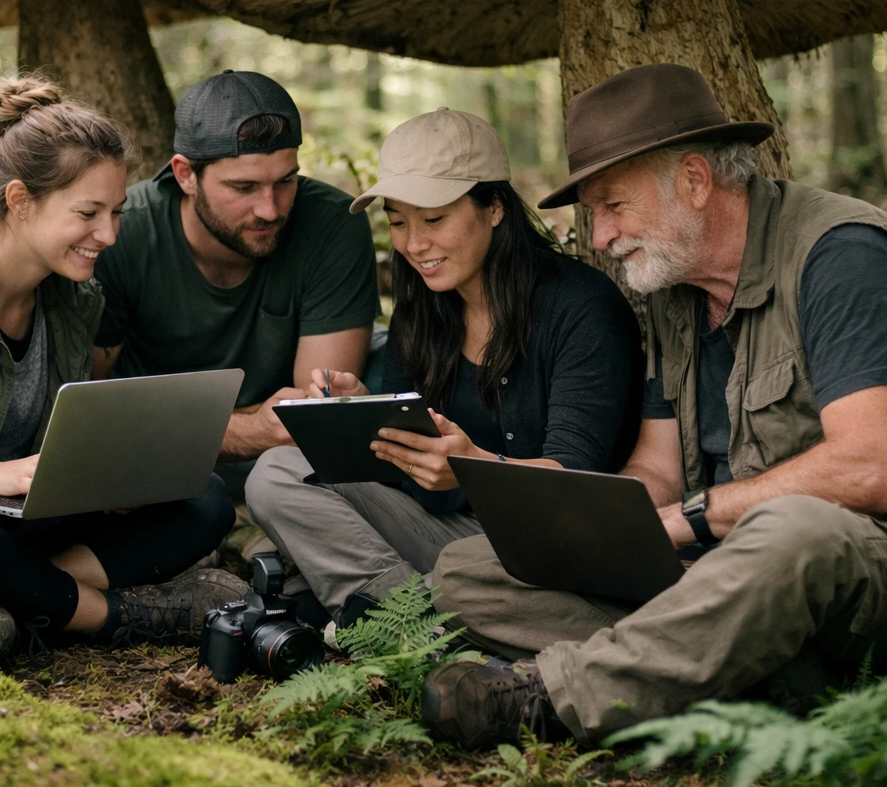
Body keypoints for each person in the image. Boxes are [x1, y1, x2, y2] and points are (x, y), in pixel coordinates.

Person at [422, 63, 887, 750]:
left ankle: (552, 700)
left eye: (614, 206)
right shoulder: (673, 292)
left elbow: (869, 467)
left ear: (695, 181)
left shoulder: (838, 255)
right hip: (712, 574)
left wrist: (694, 517)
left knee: (794, 530)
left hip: (842, 566)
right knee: (470, 571)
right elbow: (659, 471)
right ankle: (743, 676)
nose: (600, 239)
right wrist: (593, 530)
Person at [0, 78, 245, 664]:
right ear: (20, 199)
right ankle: (113, 616)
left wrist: (101, 484)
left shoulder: (71, 297)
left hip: (11, 522)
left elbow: (45, 462)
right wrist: (2, 476)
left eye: (116, 213)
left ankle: (12, 601)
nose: (108, 235)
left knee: (205, 499)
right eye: (88, 213)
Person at [245, 107, 643, 627]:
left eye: (433, 220)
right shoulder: (422, 305)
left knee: (460, 573)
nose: (414, 244)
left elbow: (574, 481)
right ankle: (404, 621)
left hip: (550, 546)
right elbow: (408, 475)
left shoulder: (582, 308)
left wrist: (472, 466)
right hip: (448, 535)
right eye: (398, 222)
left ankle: (398, 614)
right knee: (276, 472)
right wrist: (366, 416)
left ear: (494, 207)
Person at [91, 70, 381, 494]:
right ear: (185, 175)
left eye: (286, 181)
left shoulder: (332, 224)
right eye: (244, 187)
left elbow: (314, 413)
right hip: (148, 460)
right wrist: (248, 428)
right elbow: (86, 408)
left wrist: (199, 425)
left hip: (283, 465)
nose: (269, 209)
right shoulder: (120, 232)